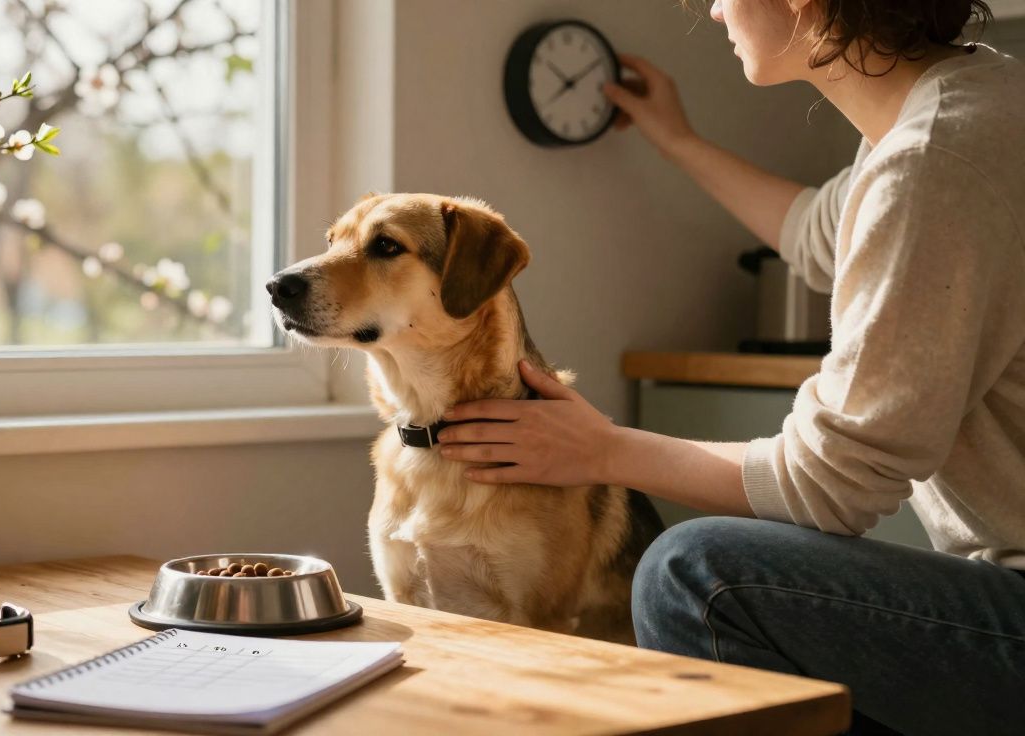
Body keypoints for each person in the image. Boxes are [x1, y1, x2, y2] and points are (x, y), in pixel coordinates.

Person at [436, 1, 1025, 733]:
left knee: (698, 573)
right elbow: (818, 231)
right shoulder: (974, 99)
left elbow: (832, 484)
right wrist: (676, 140)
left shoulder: (934, 159)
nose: (712, 8)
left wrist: (602, 450)